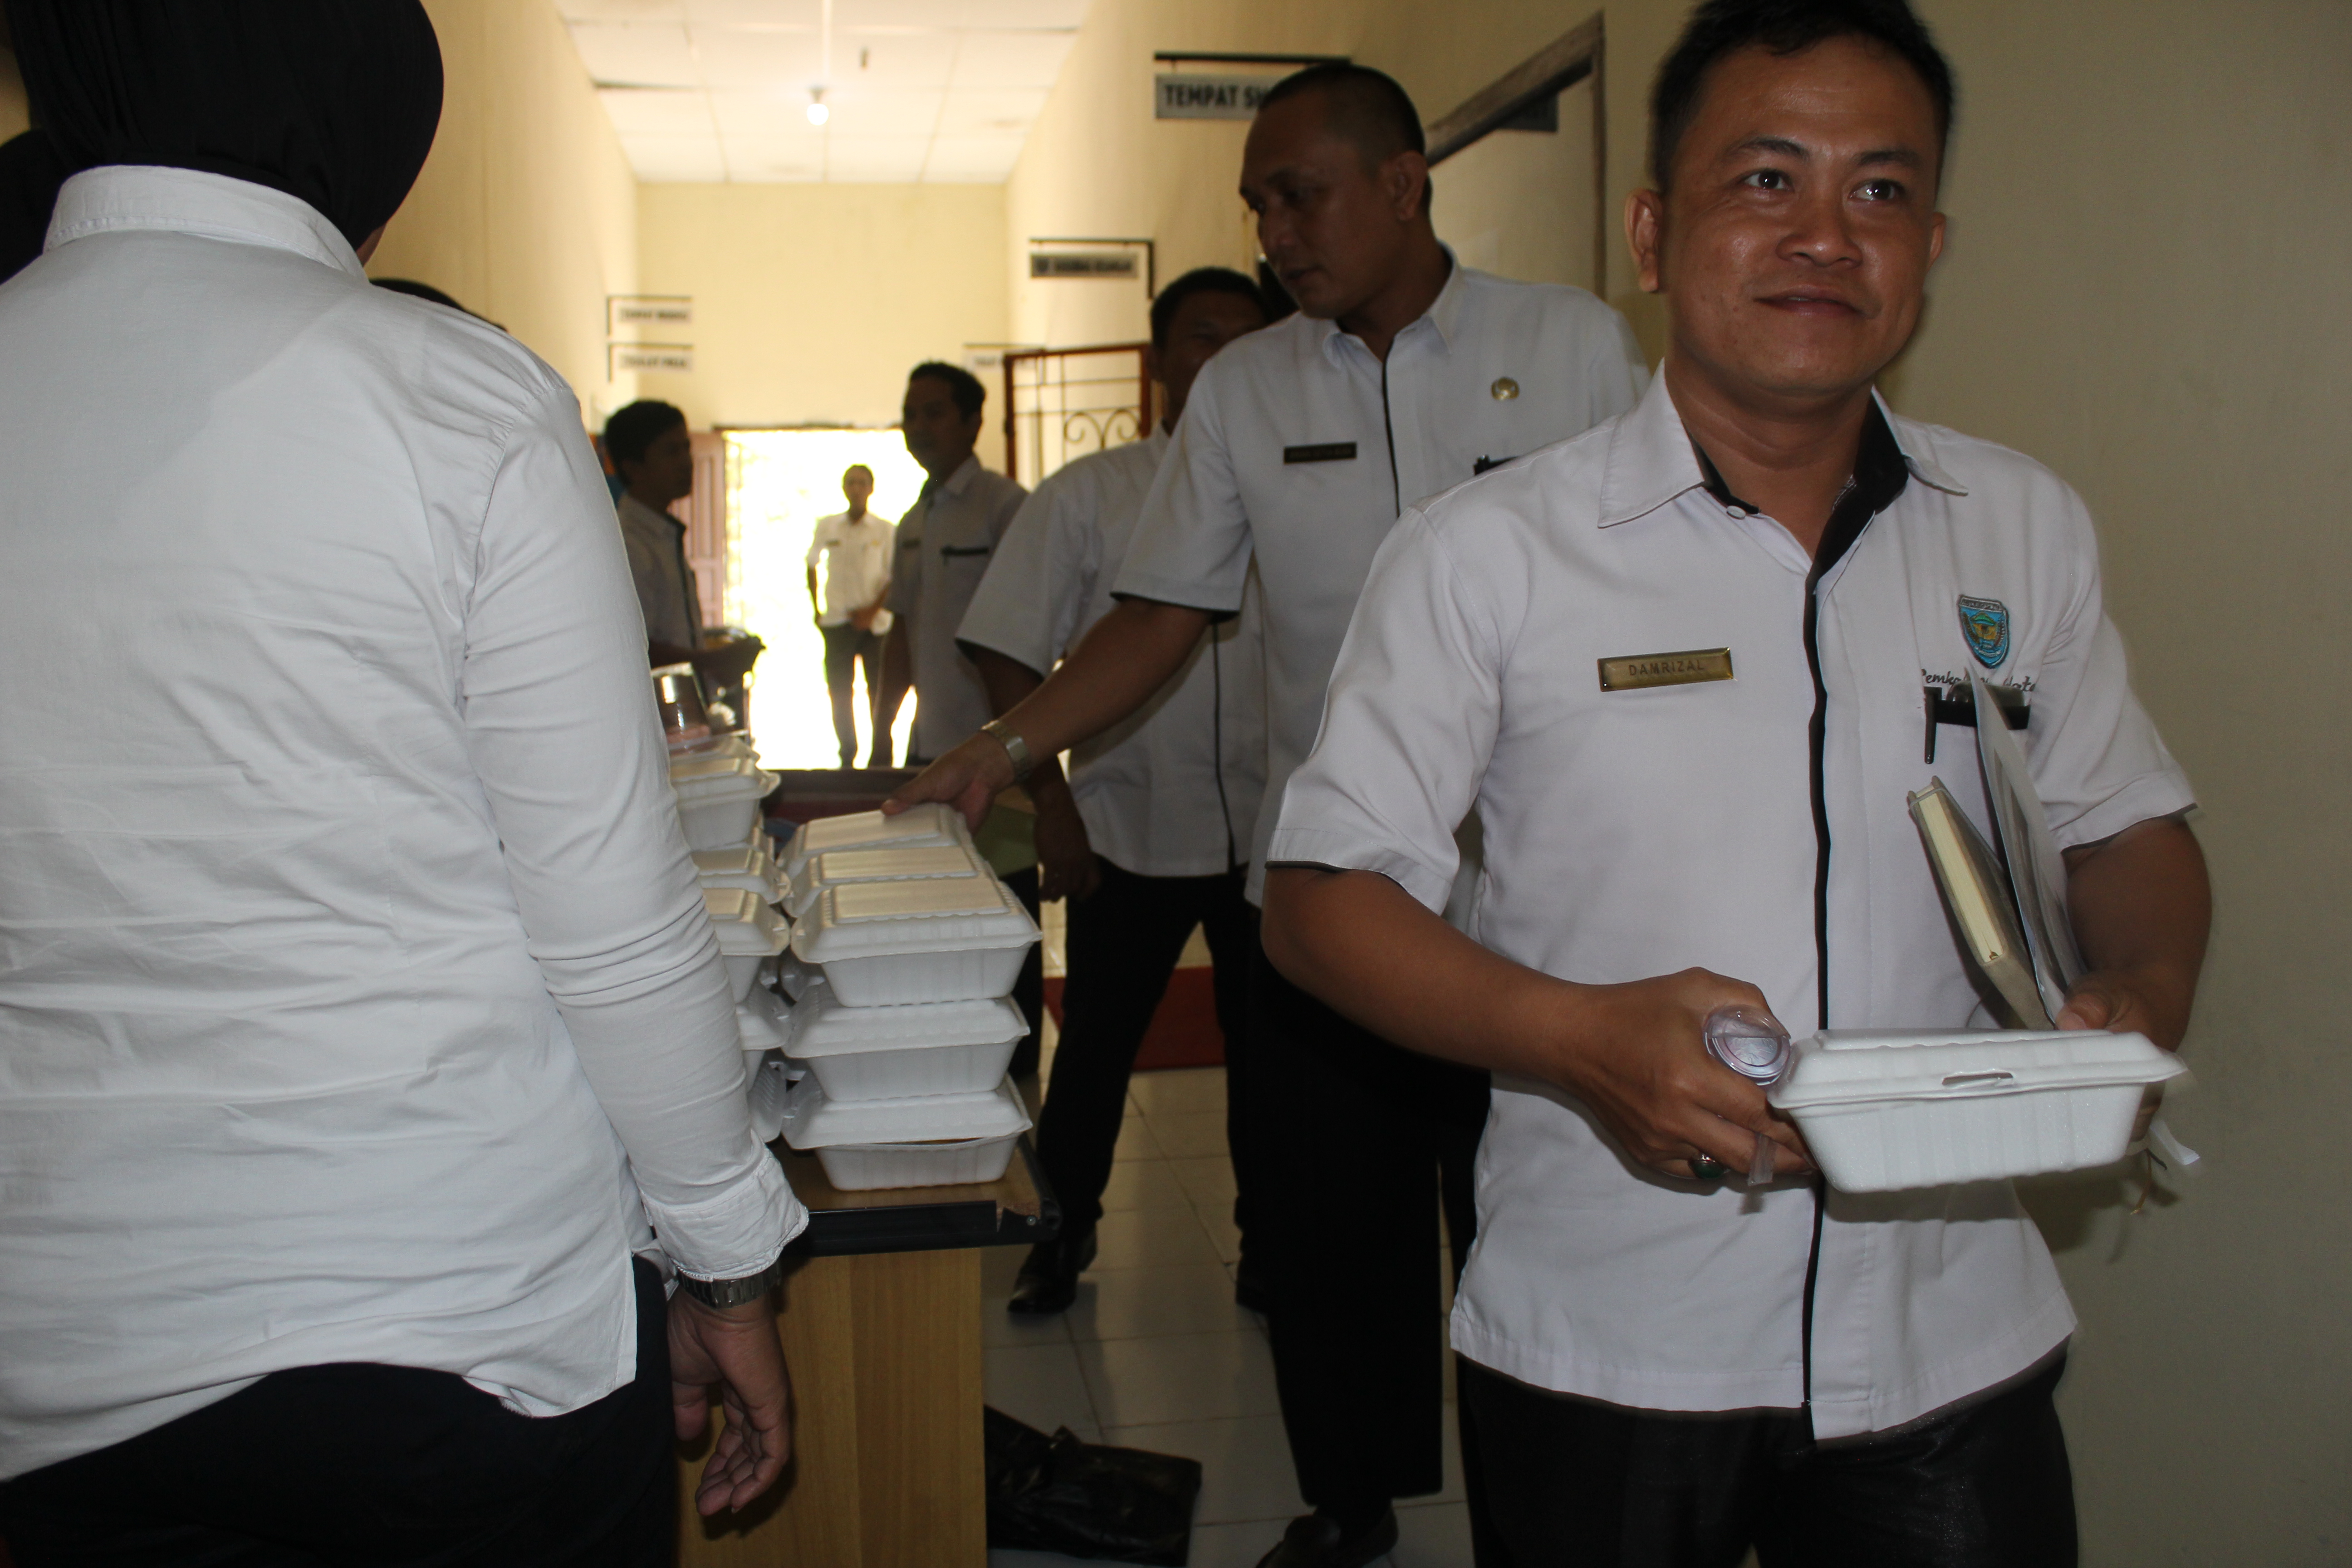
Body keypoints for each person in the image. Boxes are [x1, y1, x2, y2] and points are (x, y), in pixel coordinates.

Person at [1256, 4, 2212, 1564]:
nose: (1825, 235)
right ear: (1652, 232)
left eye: (1879, 189)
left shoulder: (2017, 526)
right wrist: (1572, 1038)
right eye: (1766, 179)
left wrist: (2144, 987)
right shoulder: (1488, 554)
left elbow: (2125, 824)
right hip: (1611, 1338)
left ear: (1929, 245)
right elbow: (1319, 898)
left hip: (1948, 1334)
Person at [0, 4, 805, 1562]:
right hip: (457, 1326)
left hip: (57, 1350)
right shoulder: (458, 403)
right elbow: (611, 924)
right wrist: (727, 1260)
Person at [888, 63, 1646, 1568]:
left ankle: (1542, 1518)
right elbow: (1160, 614)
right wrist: (1003, 746)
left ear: (1403, 183)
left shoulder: (1567, 347)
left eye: (1300, 195)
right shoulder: (1246, 390)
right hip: (1328, 900)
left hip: (1534, 901)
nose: (1274, 232)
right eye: (1257, 205)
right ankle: (1351, 1503)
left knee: (1541, 1232)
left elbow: (1655, 577)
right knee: (1329, 1232)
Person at [956, 267, 1272, 1317]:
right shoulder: (1091, 494)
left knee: (1270, 1054)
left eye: (1247, 339)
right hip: (1125, 829)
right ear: (1161, 358)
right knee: (1095, 1051)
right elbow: (1006, 649)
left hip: (1272, 835)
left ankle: (1269, 1242)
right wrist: (1051, 806)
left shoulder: (1296, 489)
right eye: (1202, 337)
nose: (1224, 359)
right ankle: (1061, 1234)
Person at [884, 360, 1049, 1075]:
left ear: (974, 421)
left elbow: (1032, 634)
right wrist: (882, 733)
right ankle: (950, 1063)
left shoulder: (1005, 508)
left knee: (1006, 911)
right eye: (910, 414)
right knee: (937, 914)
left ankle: (1017, 1065)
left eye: (935, 412)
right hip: (929, 753)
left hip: (1002, 759)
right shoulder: (912, 521)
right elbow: (900, 633)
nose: (919, 427)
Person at [605, 397, 763, 689]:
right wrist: (711, 660)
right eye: (671, 451)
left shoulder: (662, 533)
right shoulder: (629, 544)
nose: (686, 462)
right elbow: (635, 648)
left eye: (686, 448)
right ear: (634, 468)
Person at [805, 463, 897, 767]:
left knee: (879, 692)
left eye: (862, 483)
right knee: (840, 691)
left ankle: (881, 755)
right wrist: (817, 610)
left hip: (874, 624)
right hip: (838, 622)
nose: (856, 488)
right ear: (844, 488)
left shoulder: (885, 530)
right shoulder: (829, 526)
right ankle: (847, 753)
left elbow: (894, 576)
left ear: (871, 489)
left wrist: (871, 612)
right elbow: (812, 563)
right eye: (851, 483)